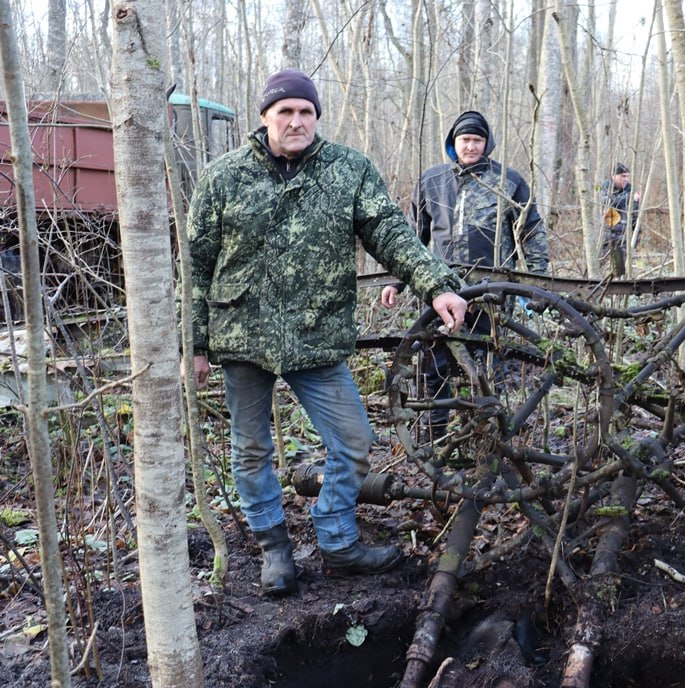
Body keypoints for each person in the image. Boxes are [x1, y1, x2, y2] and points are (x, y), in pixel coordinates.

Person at [188, 69, 468, 597]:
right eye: (285, 111)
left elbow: (390, 232)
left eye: (306, 112)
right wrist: (194, 345)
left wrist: (435, 285)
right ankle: (275, 551)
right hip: (241, 338)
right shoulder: (223, 177)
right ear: (265, 116)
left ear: (316, 117)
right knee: (250, 449)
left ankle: (338, 541)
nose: (296, 121)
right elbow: (197, 267)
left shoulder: (348, 170)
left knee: (356, 442)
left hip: (316, 337)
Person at [380, 110, 548, 430]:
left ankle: (485, 429)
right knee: (434, 358)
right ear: (453, 144)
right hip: (440, 288)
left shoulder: (508, 182)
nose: (470, 147)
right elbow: (412, 236)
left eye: (476, 140)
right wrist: (396, 281)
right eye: (464, 140)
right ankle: (436, 426)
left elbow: (531, 233)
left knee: (487, 361)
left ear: (487, 144)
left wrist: (536, 284)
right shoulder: (432, 180)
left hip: (491, 290)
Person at [601, 163, 640, 277]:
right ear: (614, 176)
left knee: (622, 273)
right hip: (607, 239)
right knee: (604, 270)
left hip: (625, 238)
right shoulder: (605, 188)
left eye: (627, 176)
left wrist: (636, 236)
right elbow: (609, 203)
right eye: (622, 176)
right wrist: (629, 198)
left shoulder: (630, 190)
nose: (626, 179)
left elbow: (634, 216)